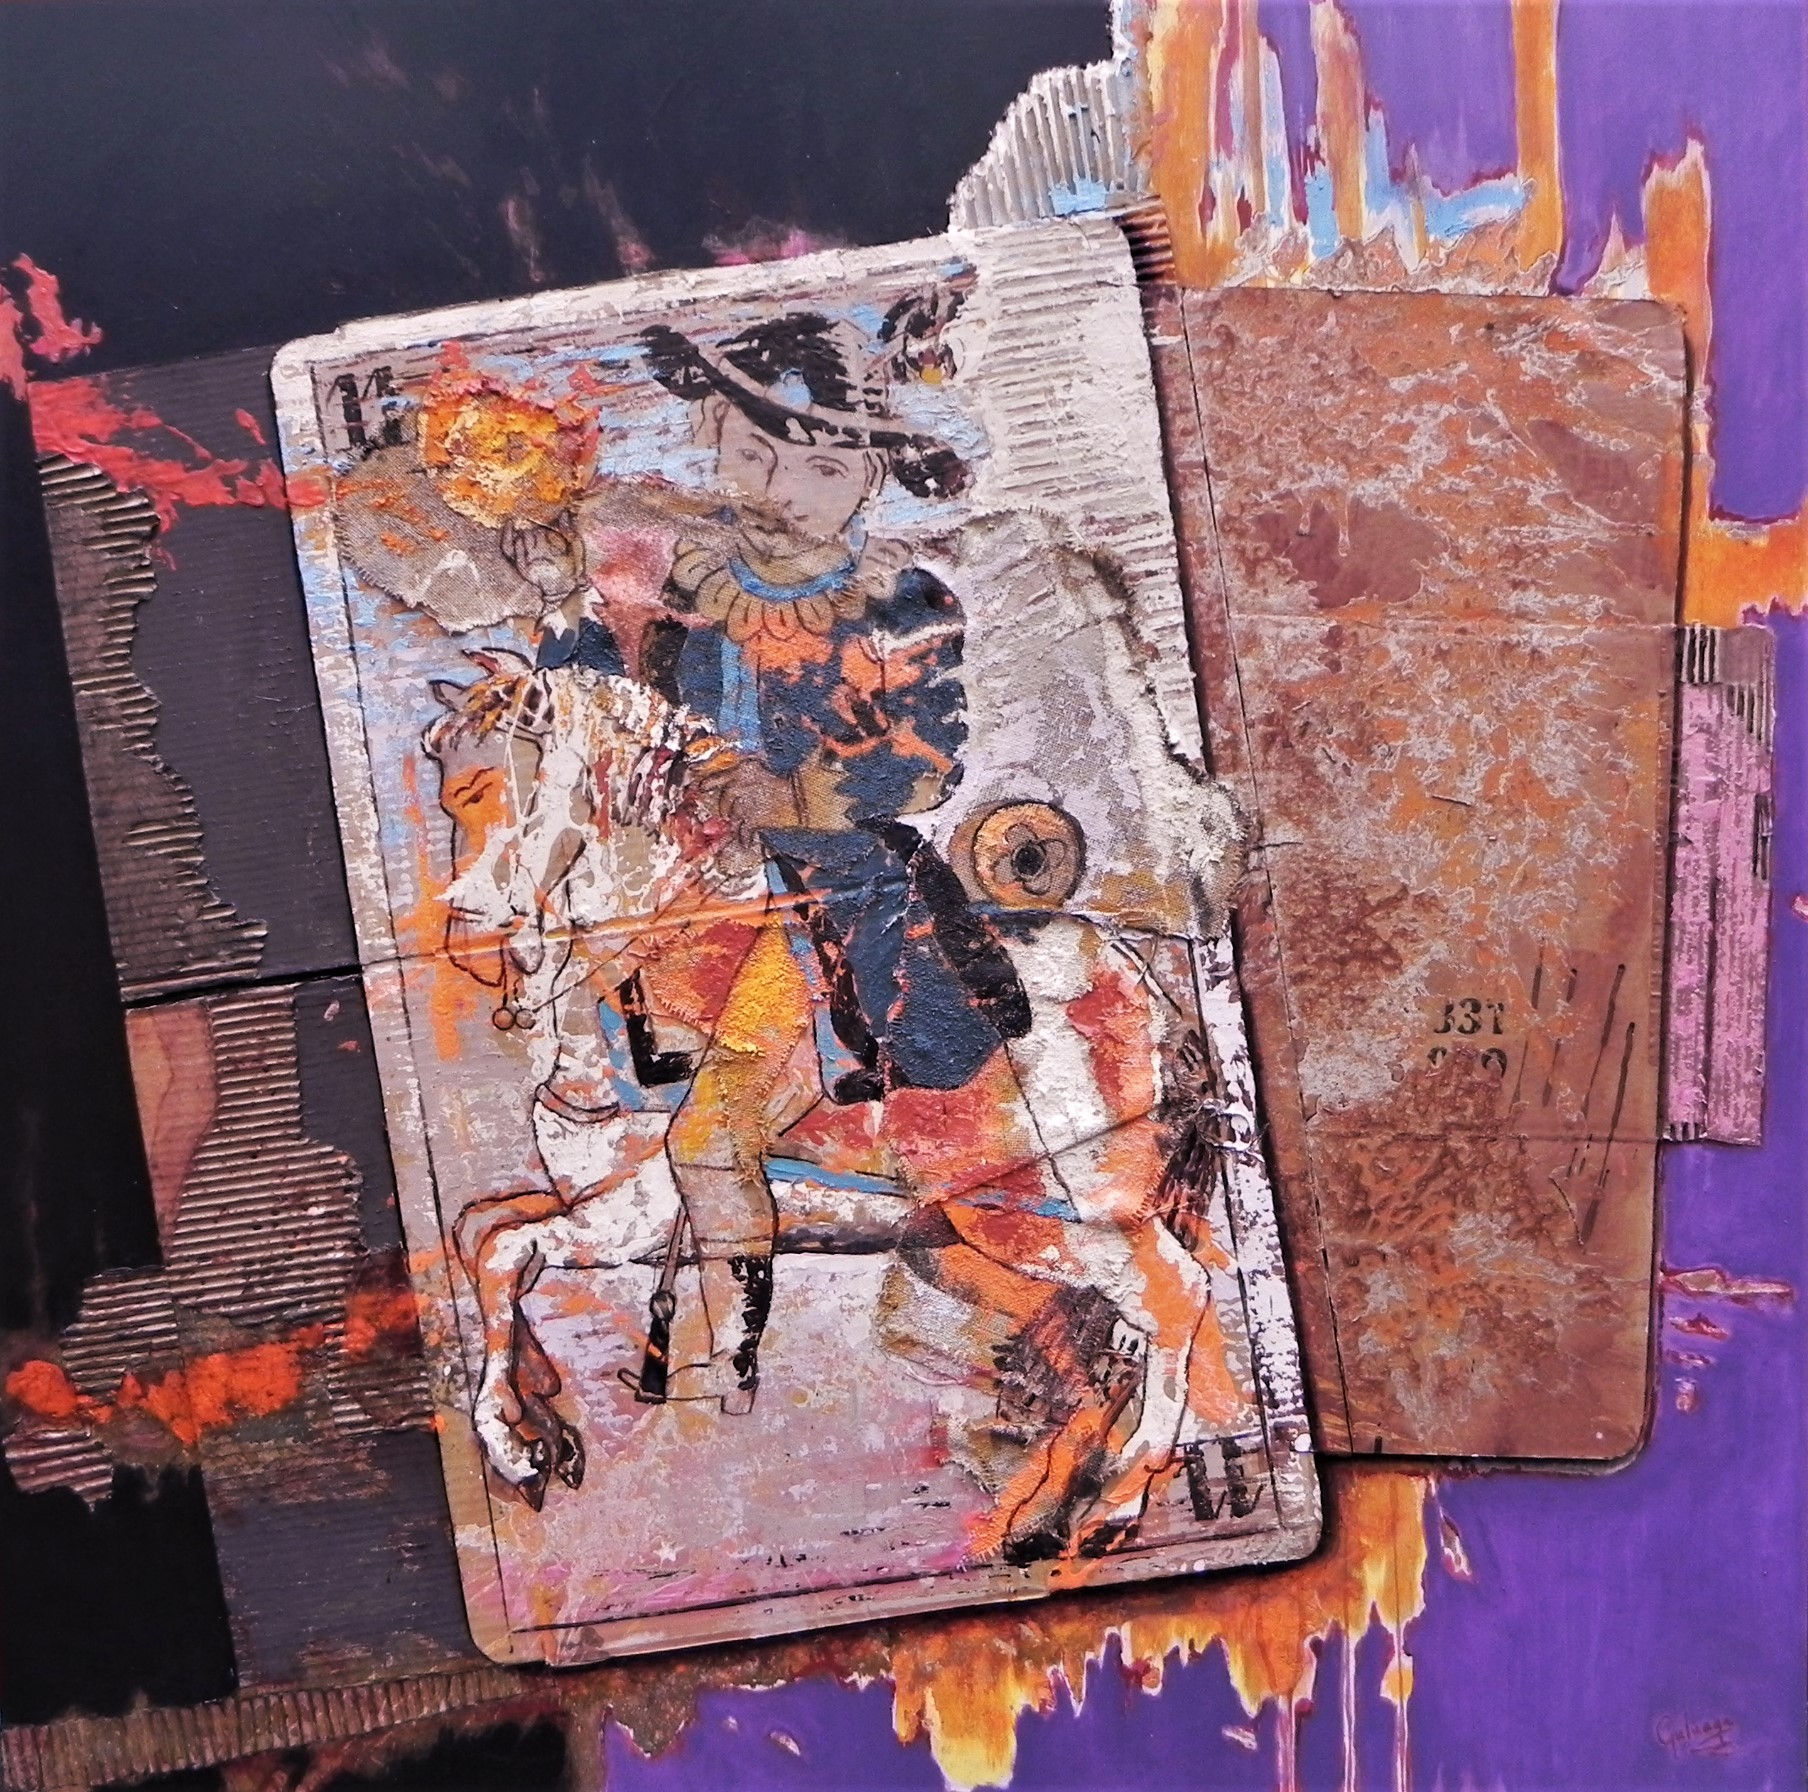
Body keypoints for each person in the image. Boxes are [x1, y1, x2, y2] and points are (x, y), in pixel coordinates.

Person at [625, 308, 1033, 1411]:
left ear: (871, 477)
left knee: (713, 1137)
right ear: (710, 436)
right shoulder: (684, 599)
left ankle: (715, 1361)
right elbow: (643, 719)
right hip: (697, 889)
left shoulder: (903, 604)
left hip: (835, 889)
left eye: (821, 466)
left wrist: (794, 794)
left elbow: (926, 763)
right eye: (754, 452)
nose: (781, 489)